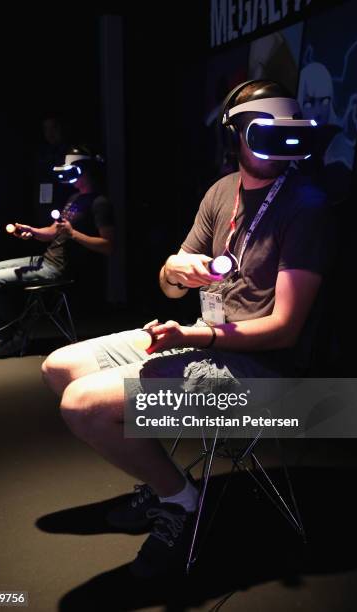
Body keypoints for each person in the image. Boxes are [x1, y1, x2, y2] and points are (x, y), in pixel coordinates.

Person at [41, 81, 334, 577]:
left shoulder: (306, 206)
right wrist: (176, 270)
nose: (278, 148)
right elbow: (170, 285)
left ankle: (180, 501)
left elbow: (284, 331)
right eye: (264, 134)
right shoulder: (221, 191)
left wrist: (191, 338)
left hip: (260, 369)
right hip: (204, 332)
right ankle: (165, 486)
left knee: (82, 406)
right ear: (235, 136)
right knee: (59, 367)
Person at [0, 146, 115, 358]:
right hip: (46, 259)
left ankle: (10, 338)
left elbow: (109, 246)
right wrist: (33, 232)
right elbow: (55, 230)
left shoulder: (100, 203)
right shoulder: (75, 198)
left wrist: (74, 234)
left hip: (59, 268)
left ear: (84, 170)